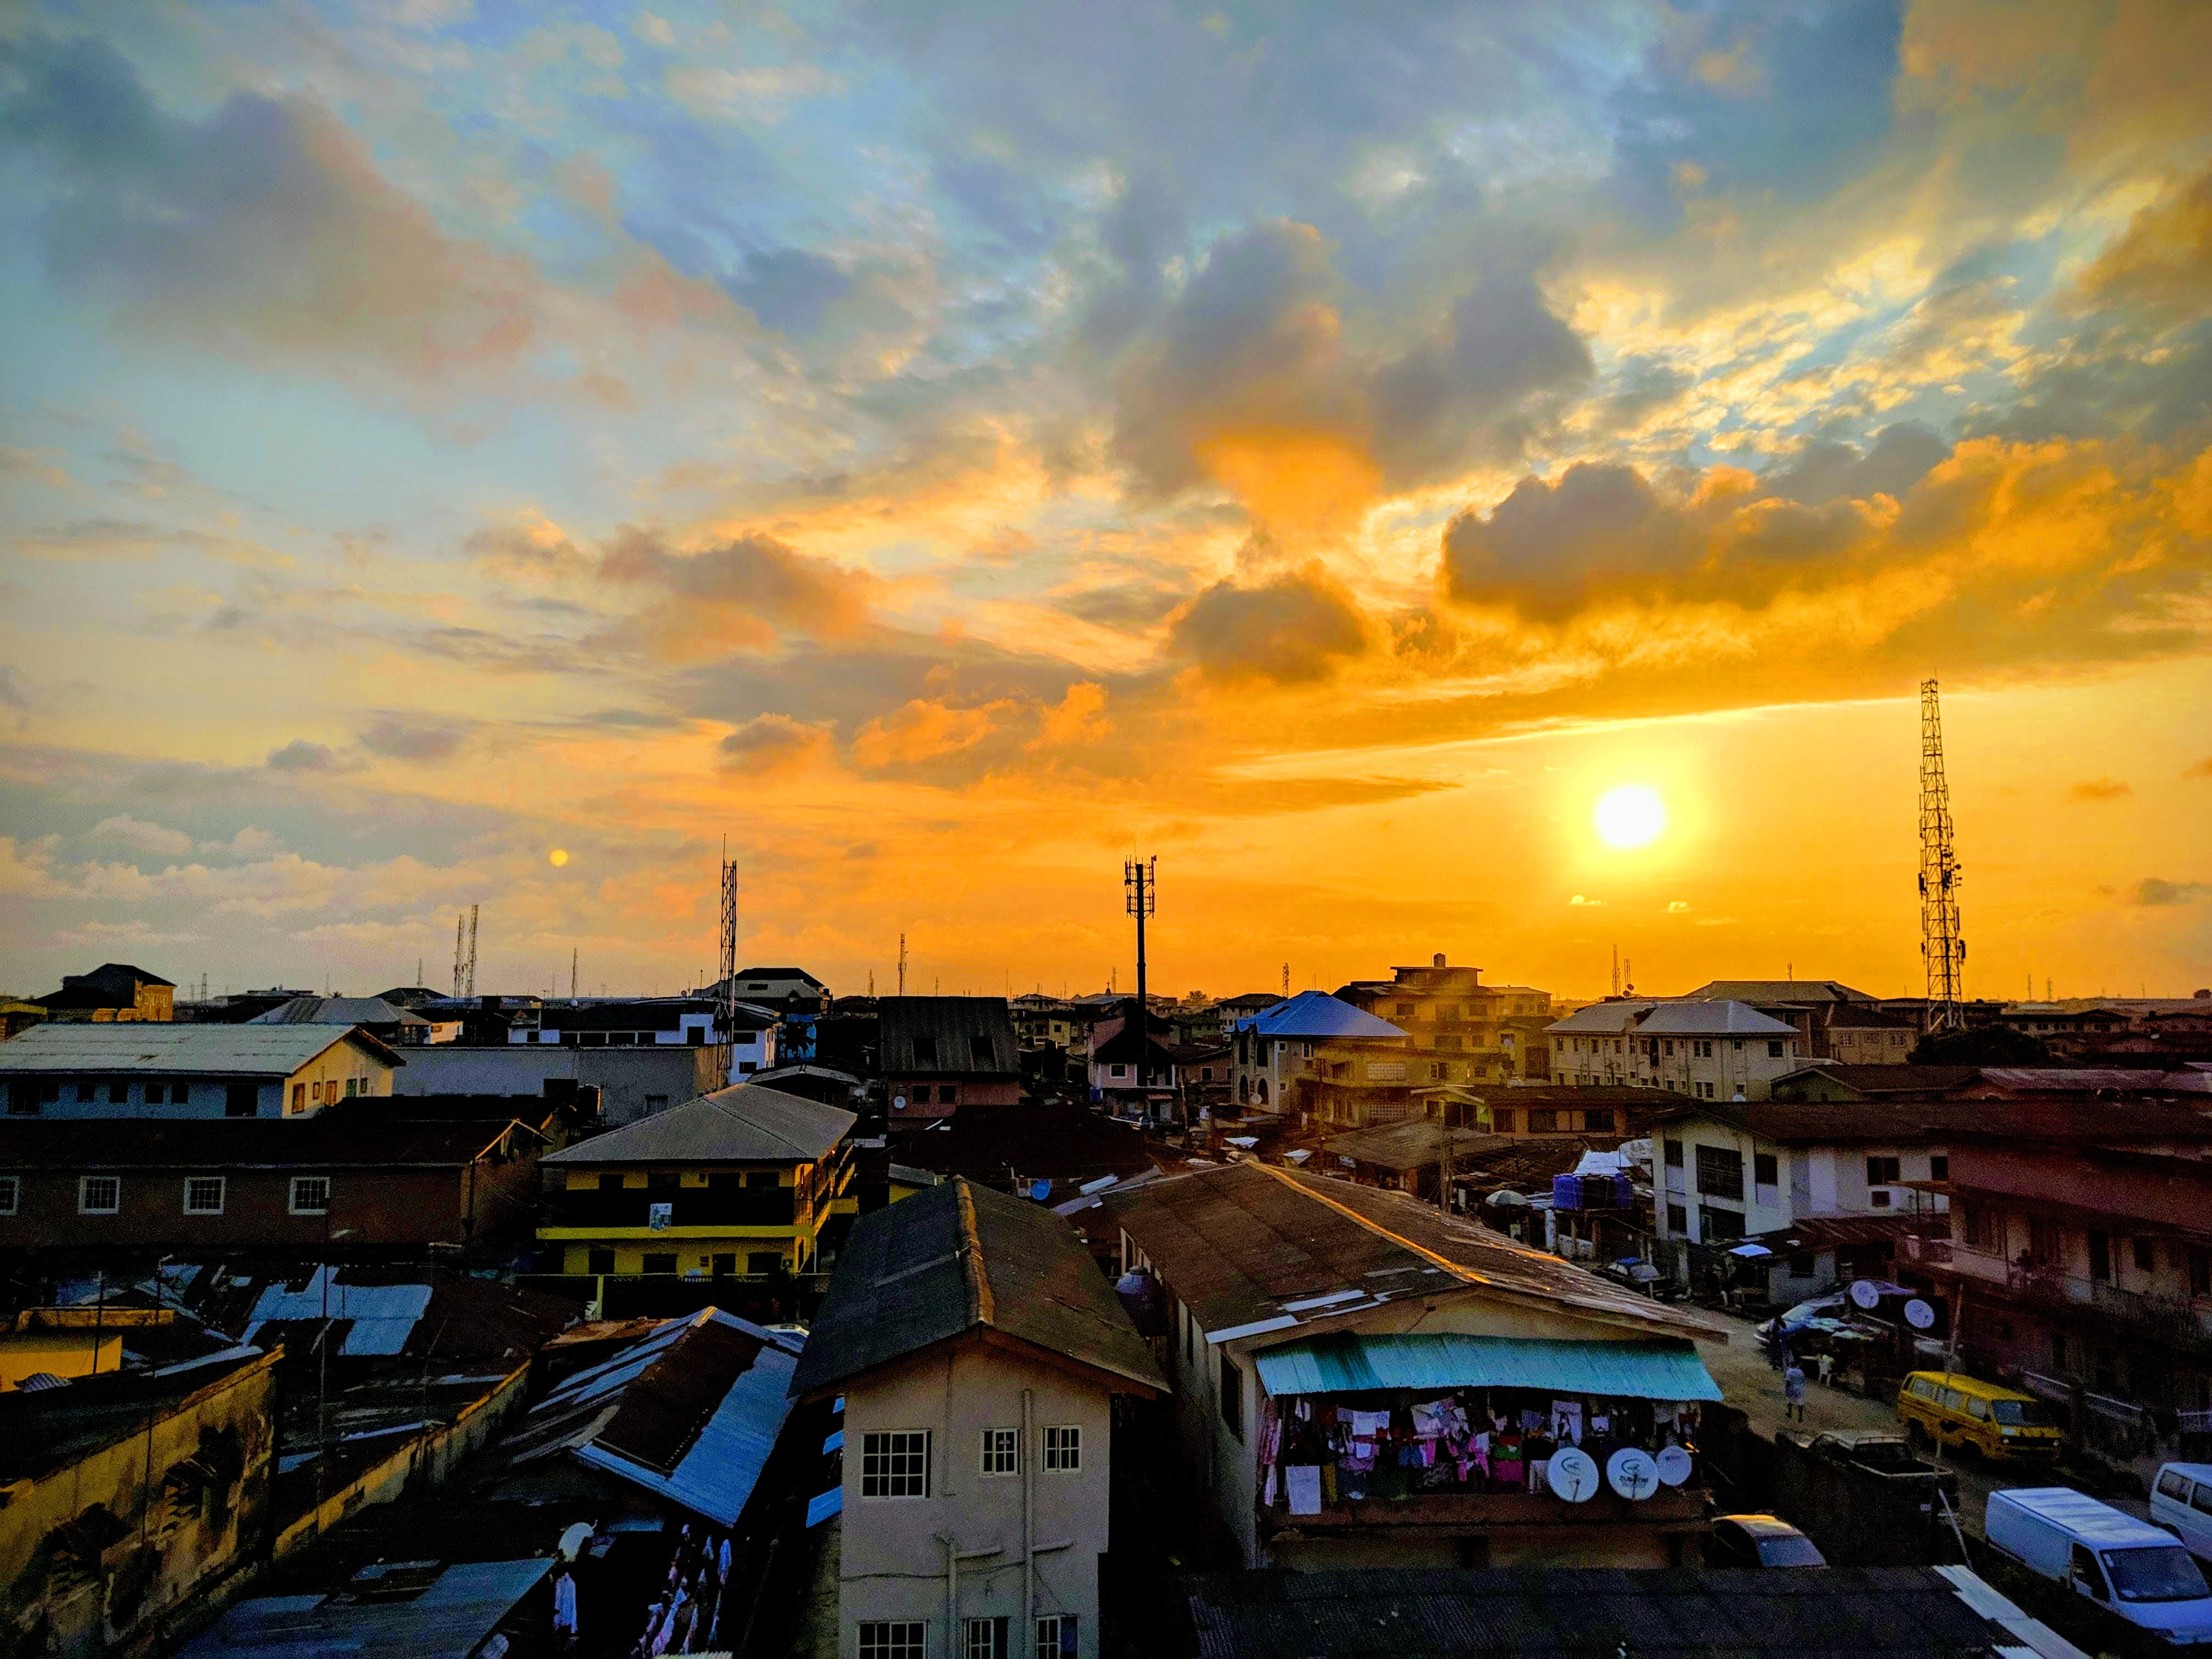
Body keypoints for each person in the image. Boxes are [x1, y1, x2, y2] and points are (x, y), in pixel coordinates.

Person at [1783, 1359, 1807, 1424]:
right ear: (1797, 1365)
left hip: (1792, 1388)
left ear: (1791, 1365)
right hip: (1800, 1388)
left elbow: (1788, 1381)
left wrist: (1786, 1389)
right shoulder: (1800, 1372)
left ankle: (1790, 1413)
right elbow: (1803, 1380)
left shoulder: (1789, 1371)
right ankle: (1800, 1416)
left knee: (1791, 1401)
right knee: (1800, 1403)